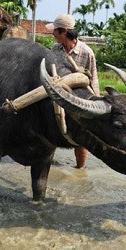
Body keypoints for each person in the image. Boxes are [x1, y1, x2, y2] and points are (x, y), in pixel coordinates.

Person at [46, 14, 100, 169]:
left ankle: (80, 169)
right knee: (52, 130)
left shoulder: (86, 52)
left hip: (78, 99)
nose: (53, 34)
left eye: (55, 31)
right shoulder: (55, 49)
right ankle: (47, 162)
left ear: (63, 32)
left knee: (81, 138)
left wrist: (94, 104)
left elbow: (93, 78)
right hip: (58, 95)